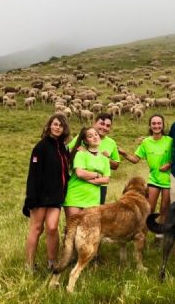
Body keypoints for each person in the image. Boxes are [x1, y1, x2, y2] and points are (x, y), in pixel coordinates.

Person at [23, 113, 70, 272]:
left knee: (52, 228)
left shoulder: (63, 148)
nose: (58, 127)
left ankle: (52, 262)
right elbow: (33, 174)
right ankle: (29, 265)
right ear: (50, 125)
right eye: (55, 124)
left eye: (61, 125)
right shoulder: (41, 147)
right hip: (40, 196)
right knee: (36, 228)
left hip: (56, 196)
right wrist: (31, 198)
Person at [118, 114, 172, 220]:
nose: (156, 126)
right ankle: (144, 231)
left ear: (163, 125)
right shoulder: (146, 142)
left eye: (159, 123)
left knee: (165, 208)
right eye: (154, 123)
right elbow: (135, 160)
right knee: (149, 208)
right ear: (150, 126)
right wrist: (123, 153)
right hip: (153, 179)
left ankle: (160, 233)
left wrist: (170, 164)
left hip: (169, 180)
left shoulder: (170, 140)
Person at [69, 113, 120, 204]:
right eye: (102, 124)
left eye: (108, 126)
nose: (104, 127)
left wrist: (107, 159)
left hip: (100, 185)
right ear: (94, 123)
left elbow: (116, 165)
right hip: (79, 183)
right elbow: (69, 151)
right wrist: (80, 151)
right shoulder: (81, 138)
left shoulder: (111, 143)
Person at [64, 127, 111, 218]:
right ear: (85, 141)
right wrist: (97, 175)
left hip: (93, 198)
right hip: (75, 196)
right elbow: (80, 173)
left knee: (90, 230)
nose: (95, 137)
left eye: (96, 134)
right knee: (72, 230)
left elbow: (106, 179)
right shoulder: (81, 154)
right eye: (90, 136)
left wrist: (89, 179)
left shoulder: (105, 159)